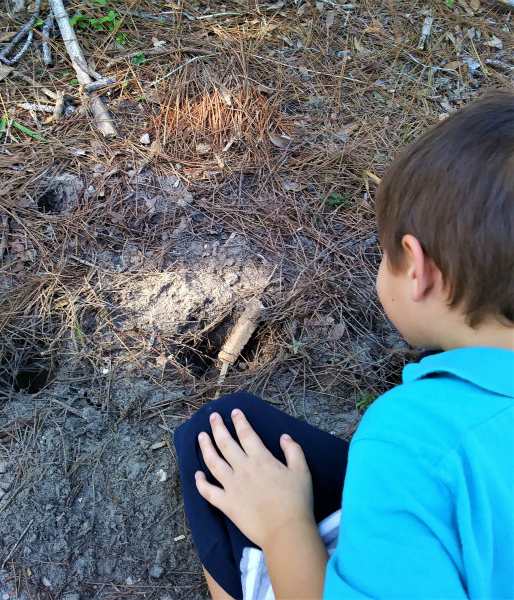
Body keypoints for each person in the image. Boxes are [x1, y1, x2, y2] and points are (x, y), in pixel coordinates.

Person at [173, 89, 514, 600]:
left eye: (383, 255)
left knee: (212, 434)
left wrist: (284, 522)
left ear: (417, 270)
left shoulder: (408, 443)